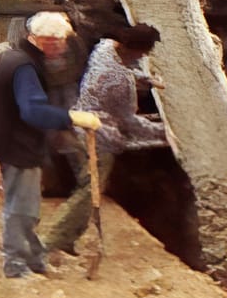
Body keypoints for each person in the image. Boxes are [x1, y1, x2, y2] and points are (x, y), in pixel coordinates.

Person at [0, 12, 100, 279]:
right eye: (59, 42)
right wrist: (71, 118)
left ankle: (34, 258)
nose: (63, 47)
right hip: (18, 145)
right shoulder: (25, 67)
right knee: (21, 208)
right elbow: (32, 111)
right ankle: (16, 264)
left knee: (28, 204)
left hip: (10, 140)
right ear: (45, 40)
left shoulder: (12, 56)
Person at [40, 22, 169, 254]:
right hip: (100, 136)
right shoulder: (120, 81)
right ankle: (50, 242)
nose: (144, 57)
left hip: (81, 123)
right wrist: (164, 131)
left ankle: (68, 238)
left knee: (89, 187)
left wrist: (147, 79)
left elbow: (125, 68)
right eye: (144, 53)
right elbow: (129, 121)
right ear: (136, 50)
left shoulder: (105, 48)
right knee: (89, 192)